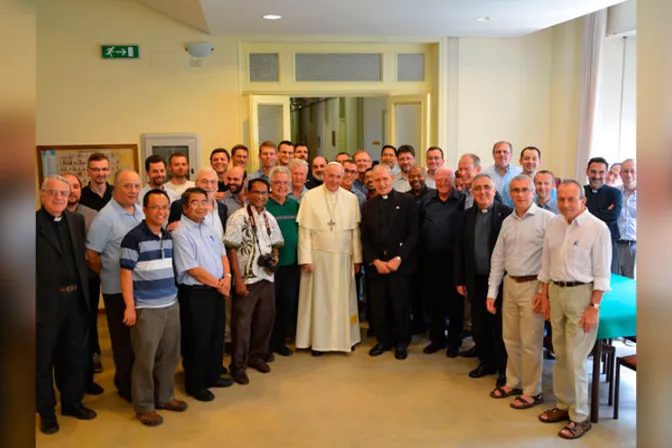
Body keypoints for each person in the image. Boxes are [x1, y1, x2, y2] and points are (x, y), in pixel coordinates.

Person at [537, 179, 612, 441]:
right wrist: (544, 296)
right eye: (562, 199)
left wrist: (594, 306)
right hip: (556, 293)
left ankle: (580, 417)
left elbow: (603, 273)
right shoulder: (554, 224)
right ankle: (563, 404)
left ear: (583, 201)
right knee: (560, 353)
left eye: (572, 199)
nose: (566, 204)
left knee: (576, 357)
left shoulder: (598, 228)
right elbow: (546, 265)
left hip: (582, 296)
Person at [120, 190, 187, 426]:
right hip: (146, 309)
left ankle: (165, 397)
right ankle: (144, 406)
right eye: (156, 207)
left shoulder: (167, 236)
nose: (161, 212)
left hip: (171, 304)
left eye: (165, 207)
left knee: (169, 356)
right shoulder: (133, 237)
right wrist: (130, 306)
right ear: (145, 209)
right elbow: (126, 273)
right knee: (145, 360)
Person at [487, 175, 554, 409]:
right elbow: (498, 257)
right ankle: (514, 381)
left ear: (533, 192)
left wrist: (544, 292)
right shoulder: (508, 221)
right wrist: (492, 291)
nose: (520, 194)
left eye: (525, 190)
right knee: (511, 339)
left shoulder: (548, 220)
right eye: (515, 190)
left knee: (531, 342)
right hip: (511, 284)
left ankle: (533, 391)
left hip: (534, 286)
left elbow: (552, 259)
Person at [37, 176, 97, 434]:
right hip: (43, 304)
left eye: (64, 192)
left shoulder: (76, 220)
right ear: (42, 194)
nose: (59, 197)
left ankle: (72, 403)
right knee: (42, 362)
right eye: (53, 192)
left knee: (74, 356)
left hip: (75, 300)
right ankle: (47, 412)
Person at [86, 168, 144, 402]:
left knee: (139, 340)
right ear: (116, 188)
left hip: (140, 289)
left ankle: (138, 381)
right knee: (122, 342)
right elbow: (91, 255)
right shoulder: (105, 217)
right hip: (117, 290)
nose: (133, 190)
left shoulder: (139, 211)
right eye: (127, 186)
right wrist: (109, 274)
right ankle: (125, 385)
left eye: (136, 186)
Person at [172, 187, 234, 401]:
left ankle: (213, 374)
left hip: (216, 289)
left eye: (204, 202)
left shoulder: (208, 227)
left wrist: (227, 278)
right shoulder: (180, 232)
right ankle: (195, 383)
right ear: (185, 207)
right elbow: (192, 268)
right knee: (198, 339)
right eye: (195, 202)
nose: (201, 206)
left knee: (216, 336)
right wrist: (219, 284)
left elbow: (223, 254)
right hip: (196, 293)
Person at [296, 162, 363, 355]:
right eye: (331, 176)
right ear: (324, 175)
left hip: (343, 258)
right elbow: (304, 232)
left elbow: (354, 232)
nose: (334, 180)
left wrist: (357, 258)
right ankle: (319, 342)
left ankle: (345, 339)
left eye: (338, 177)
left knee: (344, 300)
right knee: (319, 301)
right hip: (318, 258)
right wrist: (305, 258)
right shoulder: (310, 196)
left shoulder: (351, 199)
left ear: (343, 178)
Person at [225, 179, 284, 384]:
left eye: (264, 193)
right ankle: (238, 365)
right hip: (246, 279)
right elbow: (231, 249)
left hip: (266, 277)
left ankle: (257, 356)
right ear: (248, 194)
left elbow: (276, 243)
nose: (260, 197)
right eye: (256, 193)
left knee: (264, 321)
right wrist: (237, 280)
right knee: (242, 325)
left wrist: (274, 260)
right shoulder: (238, 217)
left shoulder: (269, 217)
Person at [455, 174, 512, 387]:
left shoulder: (506, 214)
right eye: (477, 188)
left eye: (487, 187)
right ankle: (485, 361)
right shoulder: (466, 216)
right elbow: (459, 249)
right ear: (472, 192)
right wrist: (460, 278)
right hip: (475, 279)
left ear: (495, 190)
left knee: (499, 326)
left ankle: (503, 368)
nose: (482, 192)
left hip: (500, 282)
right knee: (479, 325)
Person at [361, 165, 419, 360]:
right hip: (377, 265)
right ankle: (382, 341)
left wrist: (398, 258)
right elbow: (365, 238)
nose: (382, 183)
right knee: (378, 305)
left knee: (400, 304)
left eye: (385, 179)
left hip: (400, 265)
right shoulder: (368, 205)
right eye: (377, 180)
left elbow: (413, 234)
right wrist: (375, 261)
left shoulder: (407, 201)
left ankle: (402, 342)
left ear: (392, 178)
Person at [61, 172, 104, 392]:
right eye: (67, 186)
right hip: (61, 286)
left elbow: (96, 250)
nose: (72, 190)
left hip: (88, 280)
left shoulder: (91, 215)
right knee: (68, 334)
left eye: (76, 186)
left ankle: (88, 376)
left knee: (88, 327)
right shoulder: (50, 216)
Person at [421, 168, 465, 357]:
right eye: (439, 180)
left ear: (454, 180)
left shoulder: (462, 200)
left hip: (454, 260)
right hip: (431, 259)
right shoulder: (428, 200)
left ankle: (454, 341)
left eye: (447, 179)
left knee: (455, 303)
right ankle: (437, 339)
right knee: (434, 301)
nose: (442, 183)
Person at [266, 167, 300, 358]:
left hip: (291, 263)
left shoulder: (294, 205)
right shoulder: (265, 206)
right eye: (278, 182)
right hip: (271, 267)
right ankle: (267, 345)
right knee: (270, 307)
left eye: (285, 183)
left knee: (287, 304)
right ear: (271, 184)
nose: (282, 186)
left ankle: (279, 342)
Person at [583, 157, 623, 273]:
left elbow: (613, 216)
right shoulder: (580, 191)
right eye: (593, 172)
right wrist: (603, 211)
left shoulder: (615, 193)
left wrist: (587, 213)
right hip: (584, 242)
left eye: (601, 172)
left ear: (606, 174)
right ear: (587, 172)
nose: (597, 176)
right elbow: (575, 216)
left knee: (610, 280)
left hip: (608, 243)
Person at [407, 165, 433, 334]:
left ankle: (430, 324)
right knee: (413, 290)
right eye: (412, 176)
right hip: (411, 253)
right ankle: (417, 323)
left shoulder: (433, 196)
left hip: (429, 251)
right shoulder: (405, 198)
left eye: (419, 176)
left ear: (425, 176)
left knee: (428, 290)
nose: (416, 179)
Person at [167, 167, 229, 239]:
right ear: (196, 183)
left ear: (217, 185)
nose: (209, 186)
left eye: (213, 182)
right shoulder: (180, 206)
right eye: (204, 181)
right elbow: (171, 232)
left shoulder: (222, 208)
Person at [616, 159, 636, 278]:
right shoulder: (614, 193)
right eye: (625, 171)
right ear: (620, 174)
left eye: (632, 171)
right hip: (616, 245)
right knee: (615, 281)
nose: (629, 175)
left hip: (635, 247)